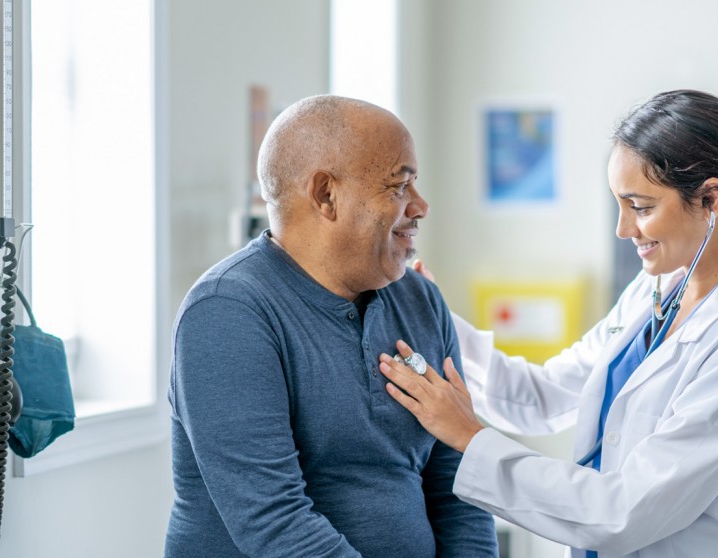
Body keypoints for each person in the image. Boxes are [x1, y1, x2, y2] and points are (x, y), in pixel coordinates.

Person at [378, 89, 718, 558]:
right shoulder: (657, 293)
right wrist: (434, 314)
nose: (623, 229)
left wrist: (469, 437)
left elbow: (625, 511)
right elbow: (541, 397)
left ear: (710, 199)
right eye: (619, 205)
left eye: (641, 207)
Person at [165, 95, 497, 557]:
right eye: (399, 186)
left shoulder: (421, 301)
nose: (419, 206)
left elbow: (458, 486)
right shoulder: (228, 310)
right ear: (326, 194)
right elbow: (275, 522)